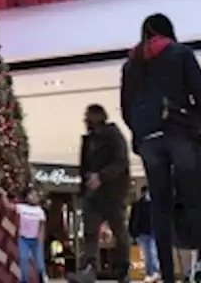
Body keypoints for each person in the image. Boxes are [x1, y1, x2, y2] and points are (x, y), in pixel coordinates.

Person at [120, 13, 201, 283]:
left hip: (149, 138)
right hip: (180, 131)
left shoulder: (131, 64)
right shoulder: (180, 53)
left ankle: (167, 275)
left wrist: (140, 131)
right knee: (195, 203)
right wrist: (199, 125)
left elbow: (126, 106)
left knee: (160, 206)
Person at [70, 104, 131, 283]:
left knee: (119, 233)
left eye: (87, 116)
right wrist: (85, 186)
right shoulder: (88, 140)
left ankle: (123, 271)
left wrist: (101, 177)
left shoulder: (113, 135)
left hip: (113, 194)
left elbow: (121, 162)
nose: (85, 120)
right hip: (92, 195)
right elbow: (84, 167)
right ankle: (88, 270)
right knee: (90, 233)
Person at [16, 189, 47, 283]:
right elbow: (8, 206)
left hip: (35, 240)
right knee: (23, 259)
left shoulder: (40, 211)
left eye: (35, 195)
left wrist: (40, 241)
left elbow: (42, 227)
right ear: (26, 197)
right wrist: (3, 194)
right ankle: (24, 281)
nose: (34, 197)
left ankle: (42, 279)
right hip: (23, 239)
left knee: (40, 265)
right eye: (31, 195)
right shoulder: (21, 207)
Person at [129, 186, 158, 283]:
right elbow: (133, 219)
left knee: (152, 252)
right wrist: (133, 232)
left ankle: (154, 272)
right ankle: (150, 273)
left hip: (153, 232)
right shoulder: (137, 205)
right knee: (146, 254)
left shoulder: (155, 204)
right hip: (142, 233)